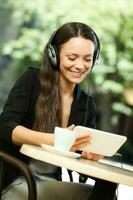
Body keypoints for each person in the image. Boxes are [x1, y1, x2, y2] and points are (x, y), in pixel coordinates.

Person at [0, 22, 117, 200]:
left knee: (107, 189)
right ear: (54, 55)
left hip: (52, 182)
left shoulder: (86, 104)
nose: (80, 66)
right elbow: (5, 127)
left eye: (87, 59)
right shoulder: (31, 80)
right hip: (18, 180)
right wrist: (52, 140)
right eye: (72, 57)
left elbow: (76, 155)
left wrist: (89, 155)